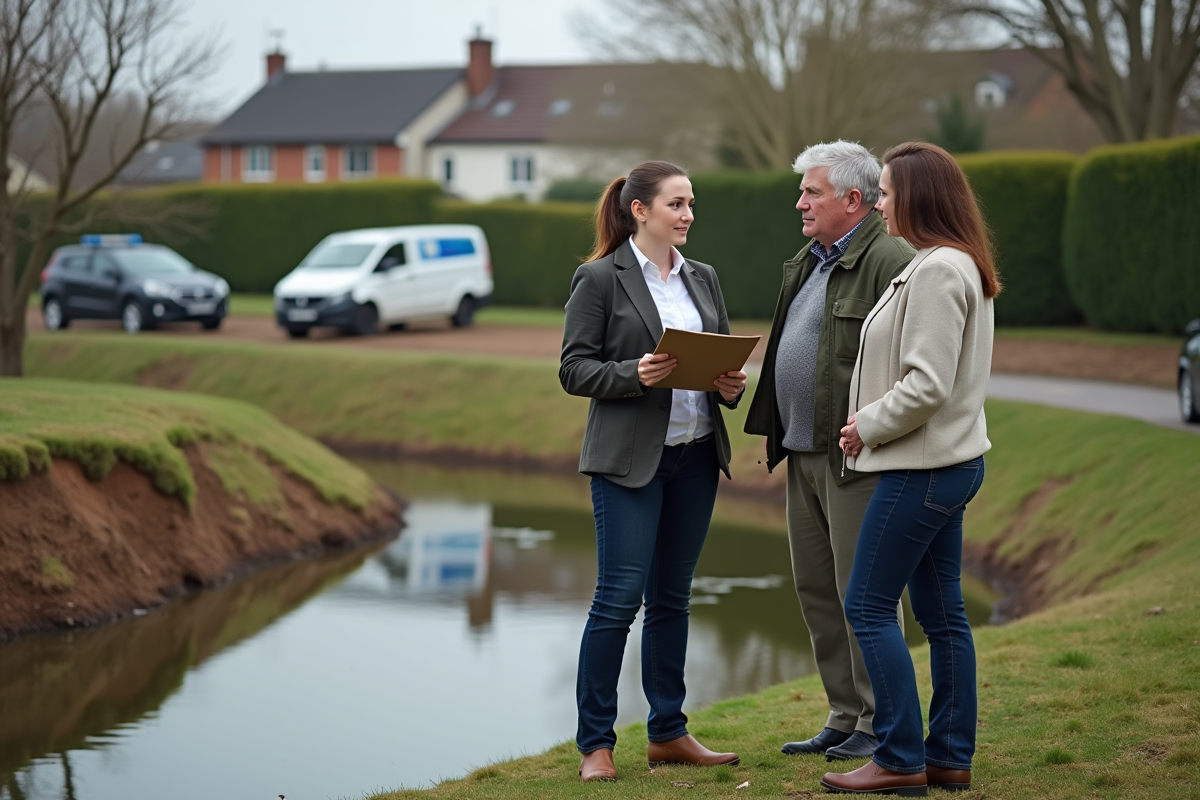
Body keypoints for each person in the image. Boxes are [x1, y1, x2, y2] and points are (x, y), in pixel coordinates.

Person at [821, 141, 1000, 796]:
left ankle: (900, 758)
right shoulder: (954, 264)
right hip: (948, 465)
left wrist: (864, 425)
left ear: (918, 197)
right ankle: (948, 756)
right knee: (942, 612)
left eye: (889, 192)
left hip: (923, 470)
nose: (880, 203)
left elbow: (926, 386)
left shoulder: (937, 271)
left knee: (867, 604)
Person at [559, 161, 747, 783]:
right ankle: (595, 745)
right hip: (628, 464)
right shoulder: (598, 278)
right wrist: (630, 374)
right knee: (617, 601)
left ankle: (668, 732)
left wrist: (729, 385)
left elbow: (717, 356)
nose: (688, 214)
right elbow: (573, 369)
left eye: (691, 203)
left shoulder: (705, 278)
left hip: (695, 459)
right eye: (676, 203)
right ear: (640, 210)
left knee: (673, 599)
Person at [743, 141, 913, 761]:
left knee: (863, 594)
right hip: (802, 451)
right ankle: (845, 714)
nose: (799, 203)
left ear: (853, 198)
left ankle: (879, 721)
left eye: (811, 192)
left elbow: (908, 368)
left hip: (856, 459)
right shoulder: (810, 260)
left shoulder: (891, 259)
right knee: (816, 589)